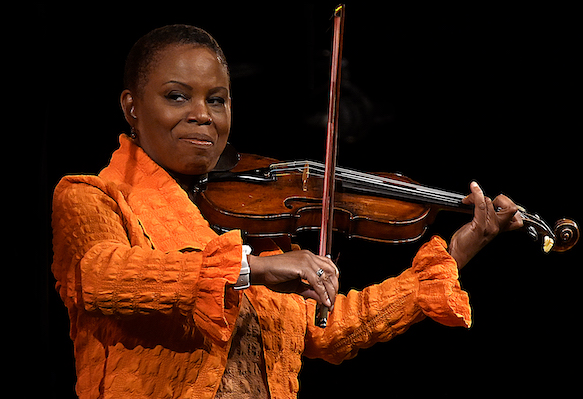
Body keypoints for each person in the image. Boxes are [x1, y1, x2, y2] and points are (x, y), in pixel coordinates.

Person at [51, 24, 523, 399]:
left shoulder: (252, 220)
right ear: (131, 107)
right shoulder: (92, 196)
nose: (203, 115)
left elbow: (329, 330)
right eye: (177, 96)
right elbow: (102, 277)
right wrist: (252, 269)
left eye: (217, 100)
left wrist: (460, 251)